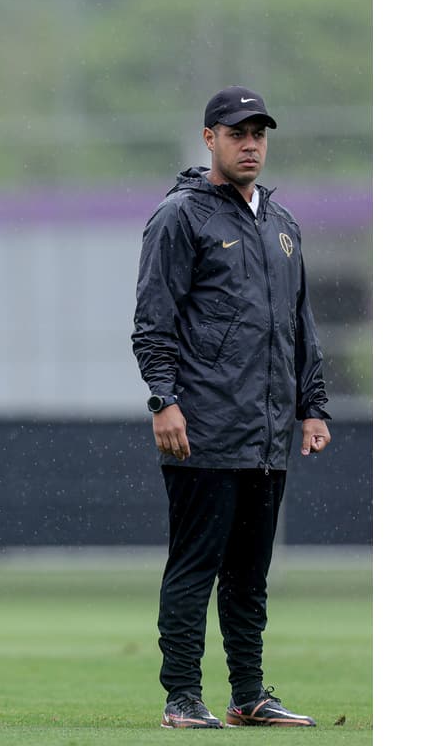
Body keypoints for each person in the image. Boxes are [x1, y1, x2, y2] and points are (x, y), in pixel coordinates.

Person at [131, 85, 331, 729]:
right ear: (209, 139)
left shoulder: (281, 225)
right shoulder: (179, 217)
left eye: (259, 134)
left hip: (267, 433)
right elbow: (152, 322)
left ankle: (249, 695)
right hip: (205, 429)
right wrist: (164, 399)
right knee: (195, 566)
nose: (251, 145)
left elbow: (299, 325)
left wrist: (313, 405)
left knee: (249, 576)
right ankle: (182, 698)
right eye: (237, 133)